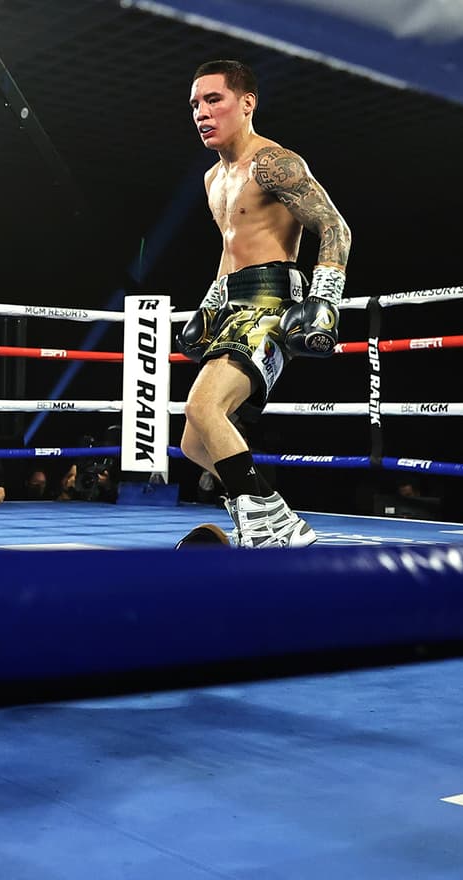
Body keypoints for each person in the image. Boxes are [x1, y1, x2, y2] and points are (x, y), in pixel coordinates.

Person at [177, 59, 351, 548]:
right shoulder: (214, 180)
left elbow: (335, 227)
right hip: (234, 303)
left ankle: (261, 532)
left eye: (214, 100)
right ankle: (284, 524)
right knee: (194, 440)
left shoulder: (274, 163)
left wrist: (324, 300)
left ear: (246, 103)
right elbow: (230, 253)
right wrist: (210, 305)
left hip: (273, 300)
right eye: (195, 104)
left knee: (203, 406)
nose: (201, 113)